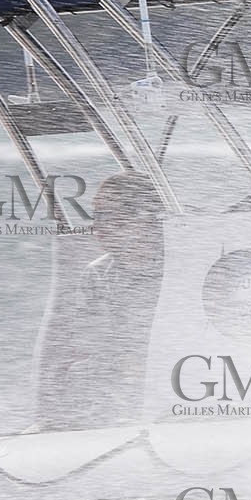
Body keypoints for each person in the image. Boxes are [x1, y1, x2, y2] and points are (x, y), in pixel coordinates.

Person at [37, 171, 166, 430]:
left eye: (108, 217)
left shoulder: (181, 267)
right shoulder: (97, 273)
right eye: (95, 216)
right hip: (117, 384)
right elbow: (90, 344)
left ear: (145, 219)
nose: (97, 226)